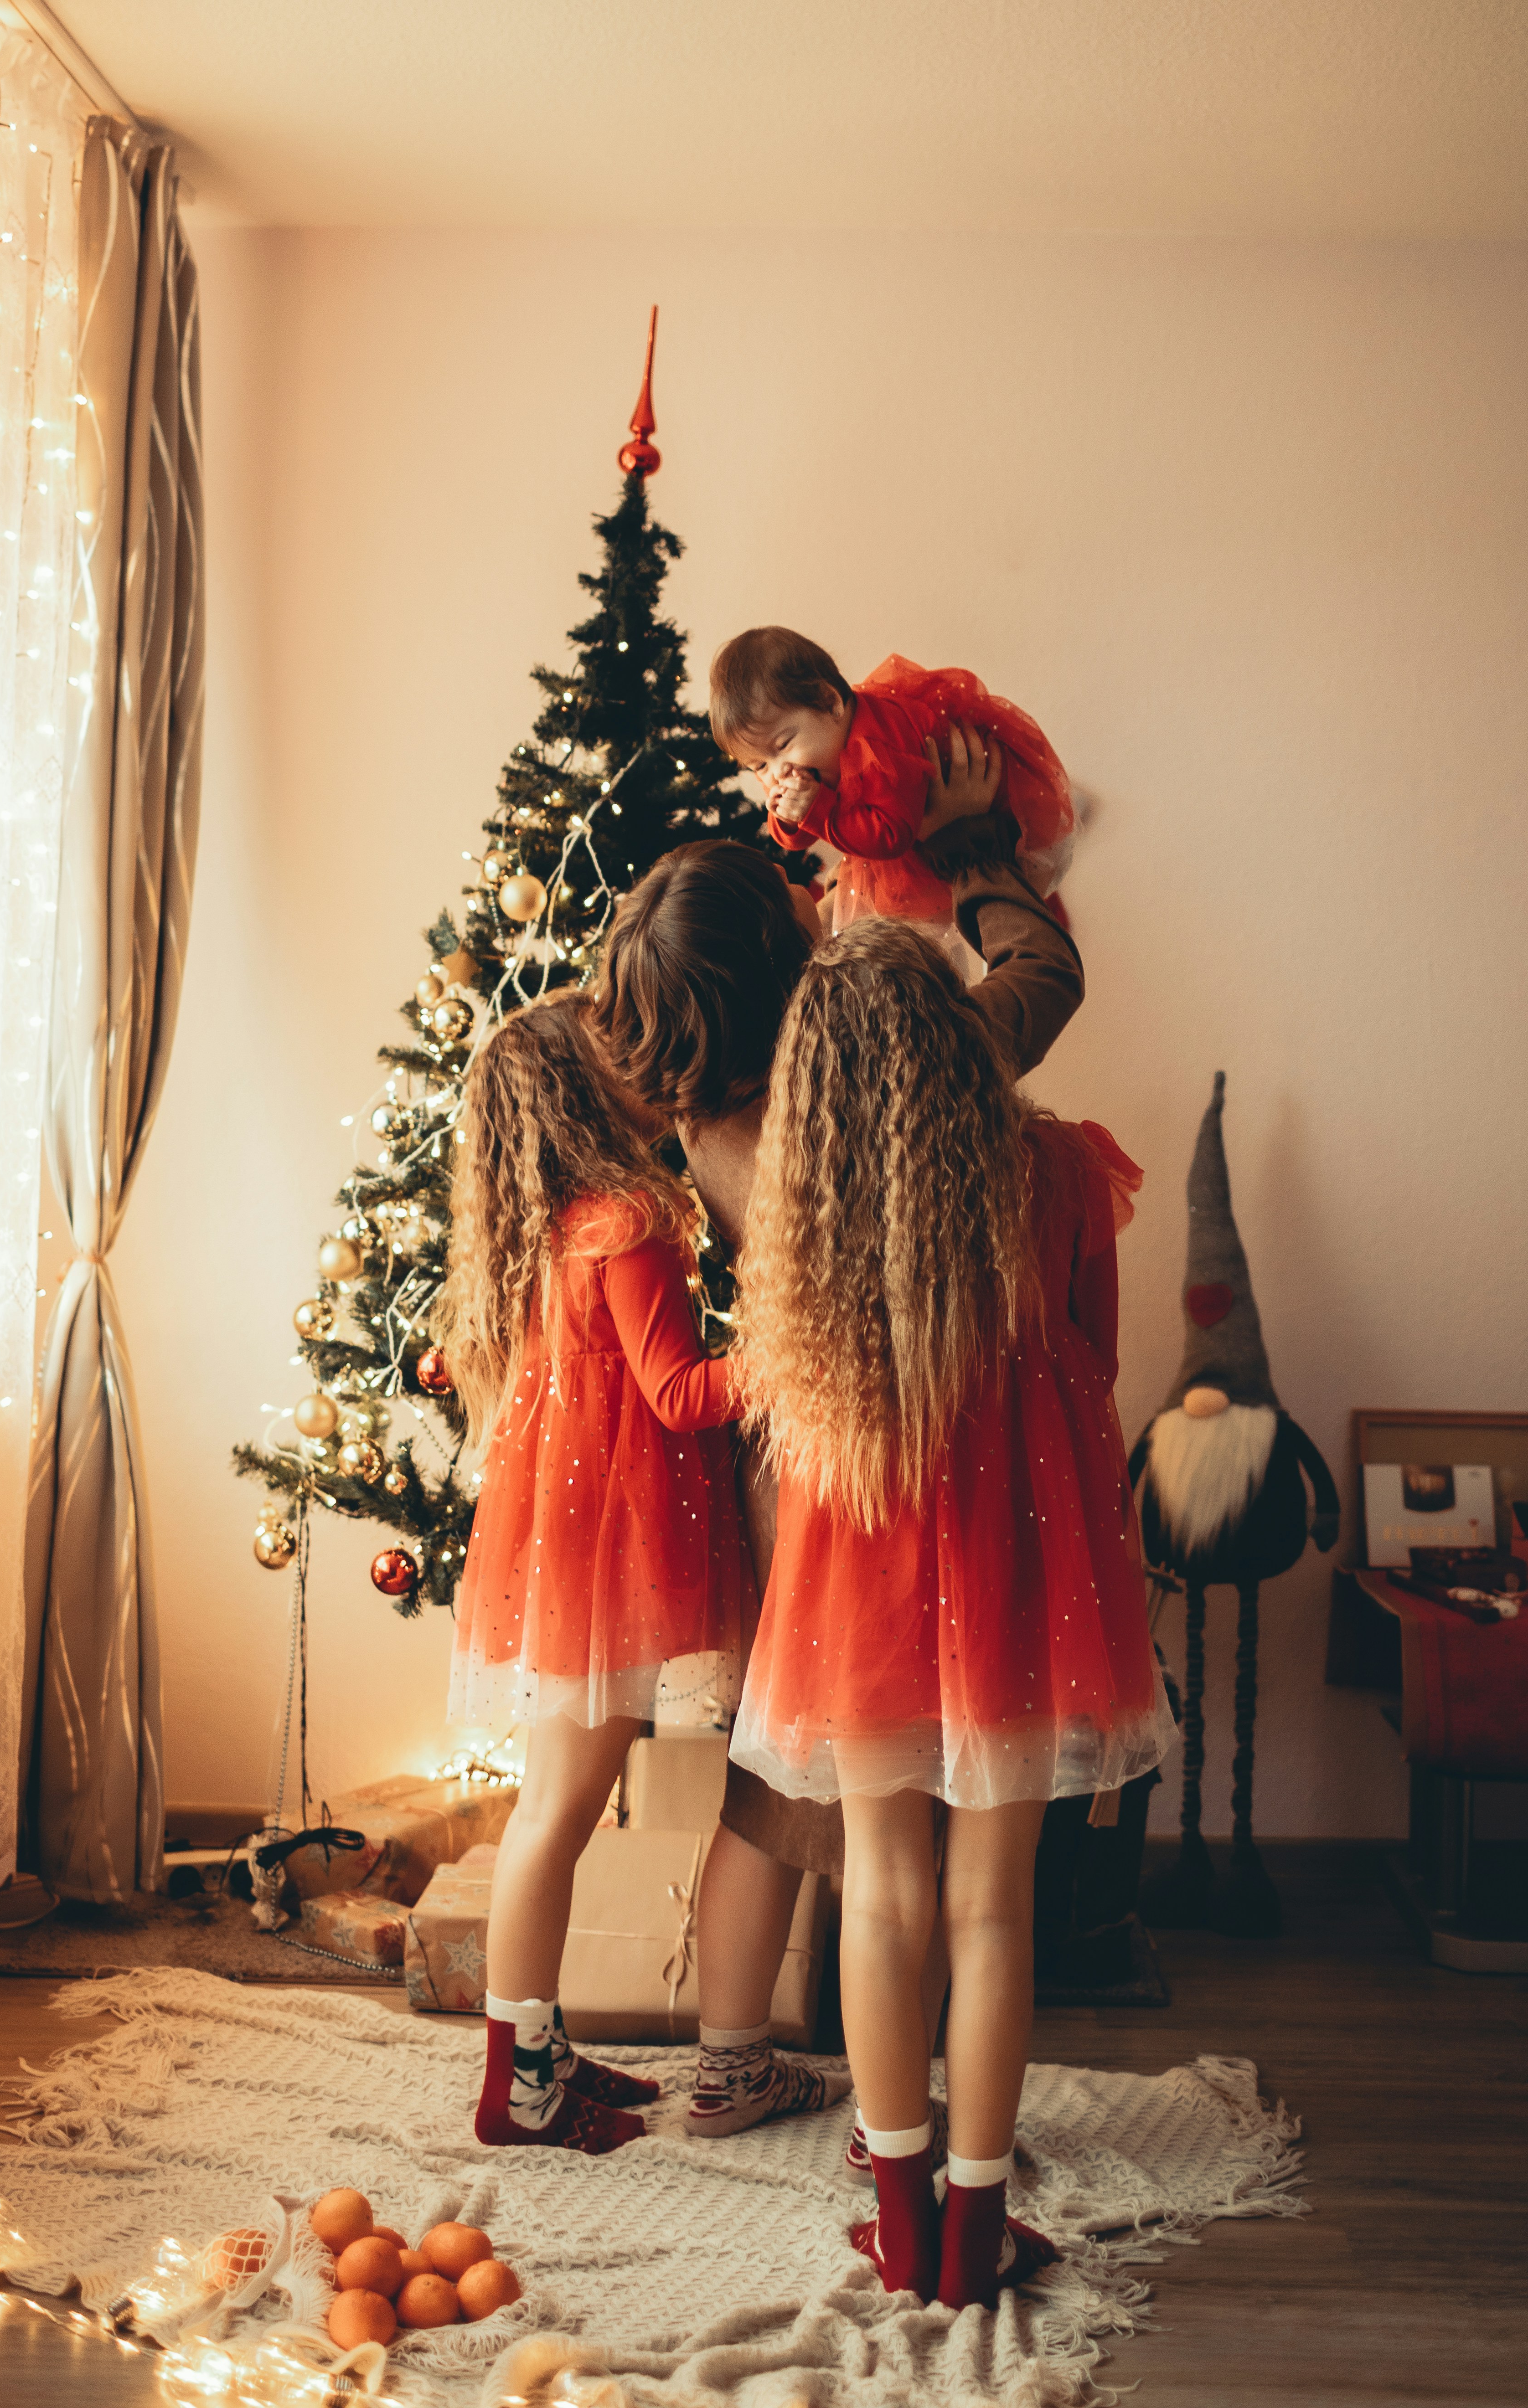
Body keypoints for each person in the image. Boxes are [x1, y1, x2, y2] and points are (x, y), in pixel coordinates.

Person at [591, 730, 1085, 2151]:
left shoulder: (711, 1122)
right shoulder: (918, 1075)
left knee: (778, 1785)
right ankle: (932, 2127)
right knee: (935, 1835)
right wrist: (968, 857)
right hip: (947, 1458)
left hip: (802, 1462)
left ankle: (737, 2059)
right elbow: (1044, 978)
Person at [730, 919, 1177, 2308]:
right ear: (958, 1034)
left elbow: (780, 1392)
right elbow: (1096, 1368)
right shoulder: (1056, 1170)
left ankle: (900, 2217)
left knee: (882, 1883)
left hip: (856, 1563)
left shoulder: (800, 1191)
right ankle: (975, 2232)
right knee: (993, 1904)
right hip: (1025, 1569)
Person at [434, 993, 752, 2155]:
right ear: (587, 1087)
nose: (645, 1057)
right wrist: (791, 1353)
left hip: (572, 1545)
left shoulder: (559, 1224)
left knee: (553, 1805)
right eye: (619, 1051)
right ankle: (518, 2084)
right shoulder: (627, 1221)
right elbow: (680, 1394)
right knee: (558, 1810)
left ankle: (536, 2046)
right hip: (607, 1555)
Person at [709, 626, 1072, 932]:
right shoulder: (820, 748)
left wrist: (817, 810)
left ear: (830, 702)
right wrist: (788, 815)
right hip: (899, 833)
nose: (777, 772)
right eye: (758, 767)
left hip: (949, 822)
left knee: (939, 925)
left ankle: (1026, 908)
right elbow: (800, 837)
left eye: (783, 745)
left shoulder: (878, 751)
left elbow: (892, 836)